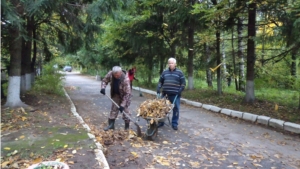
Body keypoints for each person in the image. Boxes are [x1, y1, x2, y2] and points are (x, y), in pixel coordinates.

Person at [156, 58, 186, 130]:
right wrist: (158, 87)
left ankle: (174, 124)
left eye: (172, 63)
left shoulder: (179, 73)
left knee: (176, 109)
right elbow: (160, 82)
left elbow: (183, 83)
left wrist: (180, 90)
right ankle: (161, 122)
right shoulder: (165, 72)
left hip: (175, 95)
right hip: (165, 94)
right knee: (162, 108)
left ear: (175, 64)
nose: (170, 64)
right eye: (169, 63)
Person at [100, 66, 132, 131]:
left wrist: (122, 105)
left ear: (120, 73)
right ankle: (111, 125)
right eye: (115, 75)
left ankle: (127, 127)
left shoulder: (125, 79)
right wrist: (103, 88)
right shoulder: (111, 74)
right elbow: (104, 80)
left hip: (125, 96)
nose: (116, 77)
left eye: (117, 75)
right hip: (116, 94)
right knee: (114, 109)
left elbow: (127, 94)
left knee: (125, 111)